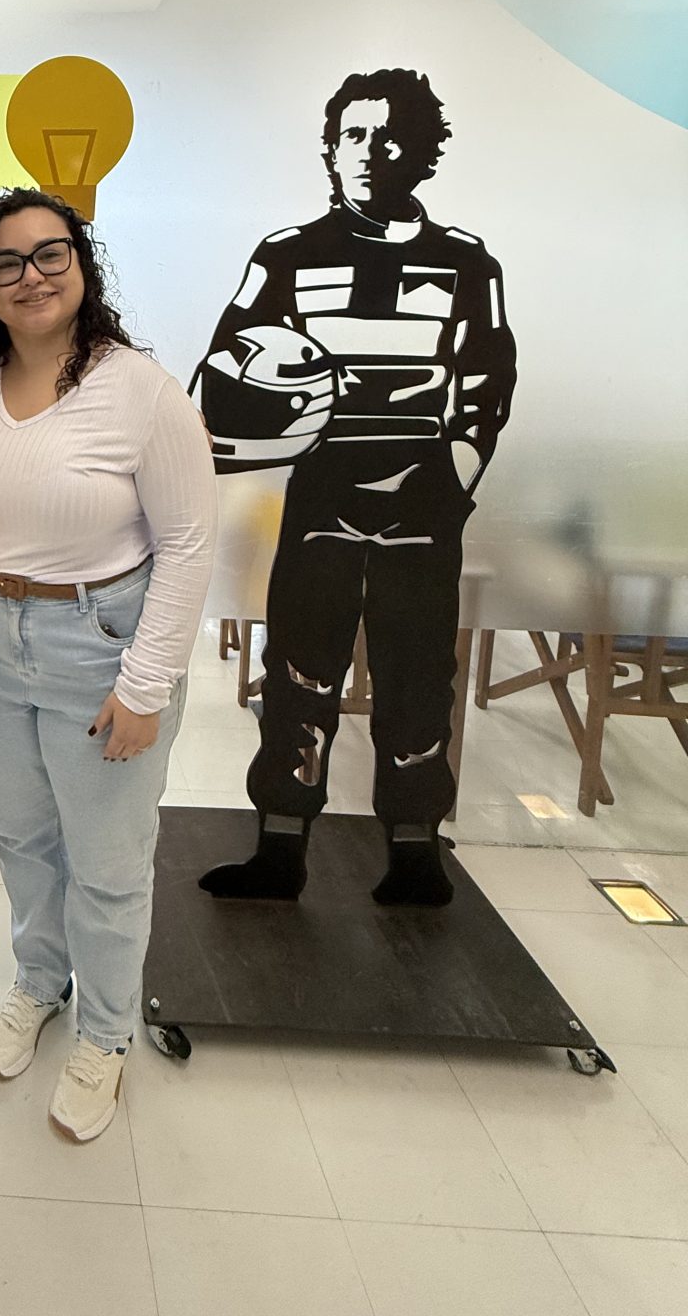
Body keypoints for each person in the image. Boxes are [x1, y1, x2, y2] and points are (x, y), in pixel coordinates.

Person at [194, 68, 516, 907]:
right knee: (299, 670)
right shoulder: (285, 256)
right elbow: (226, 364)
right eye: (355, 135)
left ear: (426, 151)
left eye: (392, 135)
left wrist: (455, 476)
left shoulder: (468, 264)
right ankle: (280, 848)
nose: (372, 151)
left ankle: (415, 850)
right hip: (321, 491)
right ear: (332, 150)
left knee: (419, 679)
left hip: (424, 497)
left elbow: (488, 381)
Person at [0, 189, 216, 1144]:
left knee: (105, 864)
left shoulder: (135, 384)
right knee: (20, 838)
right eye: (7, 262)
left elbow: (189, 542)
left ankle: (105, 1033)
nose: (31, 276)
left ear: (83, 265)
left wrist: (145, 686)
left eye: (50, 254)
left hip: (98, 641)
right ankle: (38, 983)